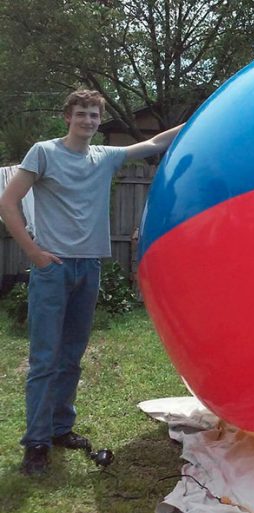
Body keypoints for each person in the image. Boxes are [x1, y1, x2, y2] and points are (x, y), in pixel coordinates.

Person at [0, 89, 184, 475]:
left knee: (71, 357)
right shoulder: (44, 152)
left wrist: (205, 116)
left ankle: (60, 428)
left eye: (94, 116)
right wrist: (33, 253)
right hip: (53, 269)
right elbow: (8, 201)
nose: (88, 121)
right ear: (68, 116)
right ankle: (35, 442)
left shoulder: (105, 157)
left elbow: (154, 141)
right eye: (81, 114)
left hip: (89, 269)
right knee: (45, 359)